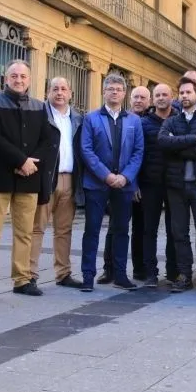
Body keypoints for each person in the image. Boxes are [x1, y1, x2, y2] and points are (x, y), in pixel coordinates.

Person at [0, 59, 52, 302]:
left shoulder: (39, 107)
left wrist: (30, 163)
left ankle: (22, 280)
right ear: (6, 78)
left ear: (29, 79)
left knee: (25, 233)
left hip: (29, 178)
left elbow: (46, 141)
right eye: (14, 76)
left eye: (23, 76)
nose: (19, 80)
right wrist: (20, 161)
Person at [80, 73, 144, 292]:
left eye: (118, 89)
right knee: (92, 230)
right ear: (103, 92)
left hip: (124, 185)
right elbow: (86, 151)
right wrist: (106, 175)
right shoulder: (90, 118)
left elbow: (138, 151)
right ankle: (88, 276)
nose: (114, 92)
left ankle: (120, 274)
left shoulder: (134, 120)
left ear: (124, 93)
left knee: (121, 230)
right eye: (110, 89)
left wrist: (125, 177)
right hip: (97, 184)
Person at [159, 77, 196, 294]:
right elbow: (164, 142)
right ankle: (184, 275)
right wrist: (194, 139)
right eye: (181, 93)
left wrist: (179, 144)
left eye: (188, 92)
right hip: (175, 186)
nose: (184, 96)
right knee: (179, 232)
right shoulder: (172, 121)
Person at [30, 77, 85, 289]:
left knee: (64, 229)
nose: (59, 92)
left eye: (63, 89)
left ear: (70, 93)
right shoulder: (40, 114)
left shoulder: (78, 119)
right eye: (55, 89)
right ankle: (30, 275)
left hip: (70, 179)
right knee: (37, 228)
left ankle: (63, 274)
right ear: (48, 92)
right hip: (46, 178)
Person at [99, 86, 151, 282]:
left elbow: (142, 154)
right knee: (115, 226)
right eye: (135, 96)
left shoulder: (151, 121)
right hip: (122, 182)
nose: (138, 100)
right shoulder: (121, 119)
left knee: (140, 228)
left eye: (143, 97)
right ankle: (109, 269)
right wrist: (129, 180)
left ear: (149, 100)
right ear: (129, 98)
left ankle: (139, 269)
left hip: (142, 185)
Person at [140, 83, 178, 286]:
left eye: (165, 94)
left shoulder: (179, 121)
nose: (161, 98)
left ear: (172, 97)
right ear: (153, 100)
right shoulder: (144, 123)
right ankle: (150, 273)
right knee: (149, 229)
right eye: (158, 95)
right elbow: (138, 153)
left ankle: (173, 272)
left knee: (175, 229)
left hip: (174, 183)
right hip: (150, 183)